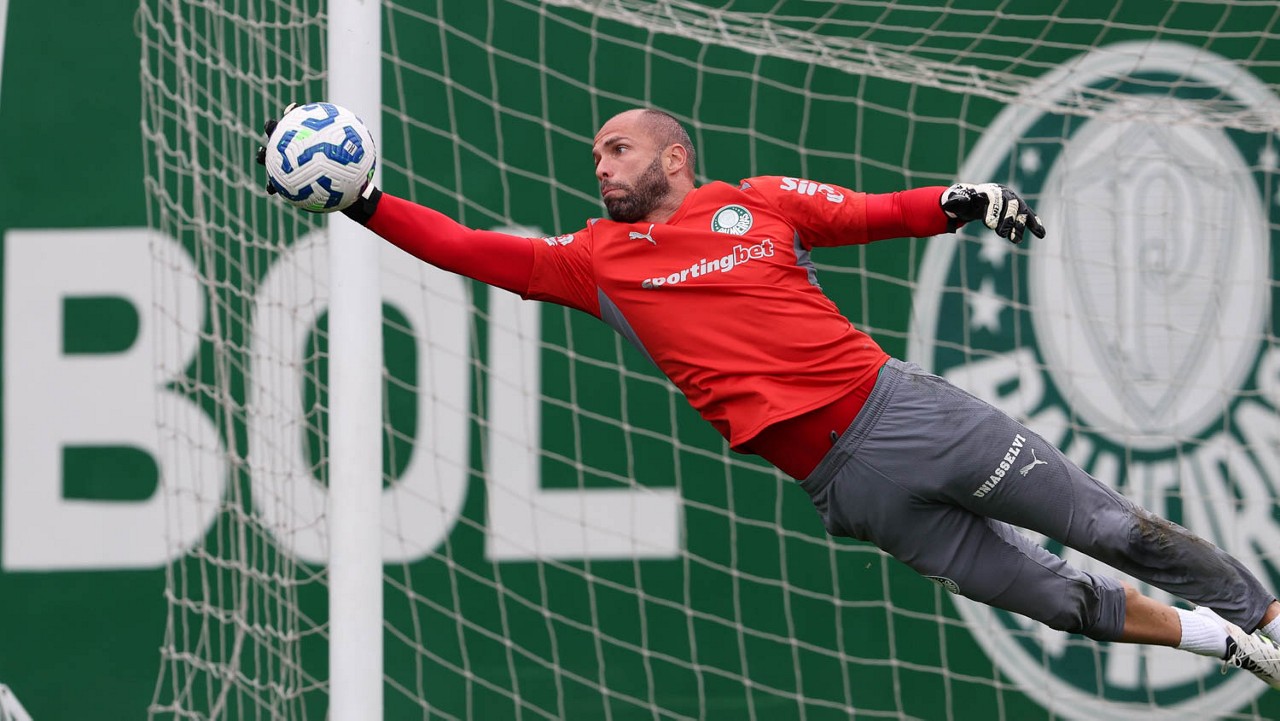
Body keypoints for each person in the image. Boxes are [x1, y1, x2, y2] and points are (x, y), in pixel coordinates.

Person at [260, 106, 1280, 687]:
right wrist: (364, 204)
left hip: (914, 414)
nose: (599, 166)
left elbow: (875, 211)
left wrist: (963, 204)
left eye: (614, 149)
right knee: (1053, 600)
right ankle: (1233, 647)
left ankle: (1263, 611)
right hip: (846, 487)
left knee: (1110, 525)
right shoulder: (594, 261)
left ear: (672, 156)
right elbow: (470, 251)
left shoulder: (759, 204)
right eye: (593, 158)